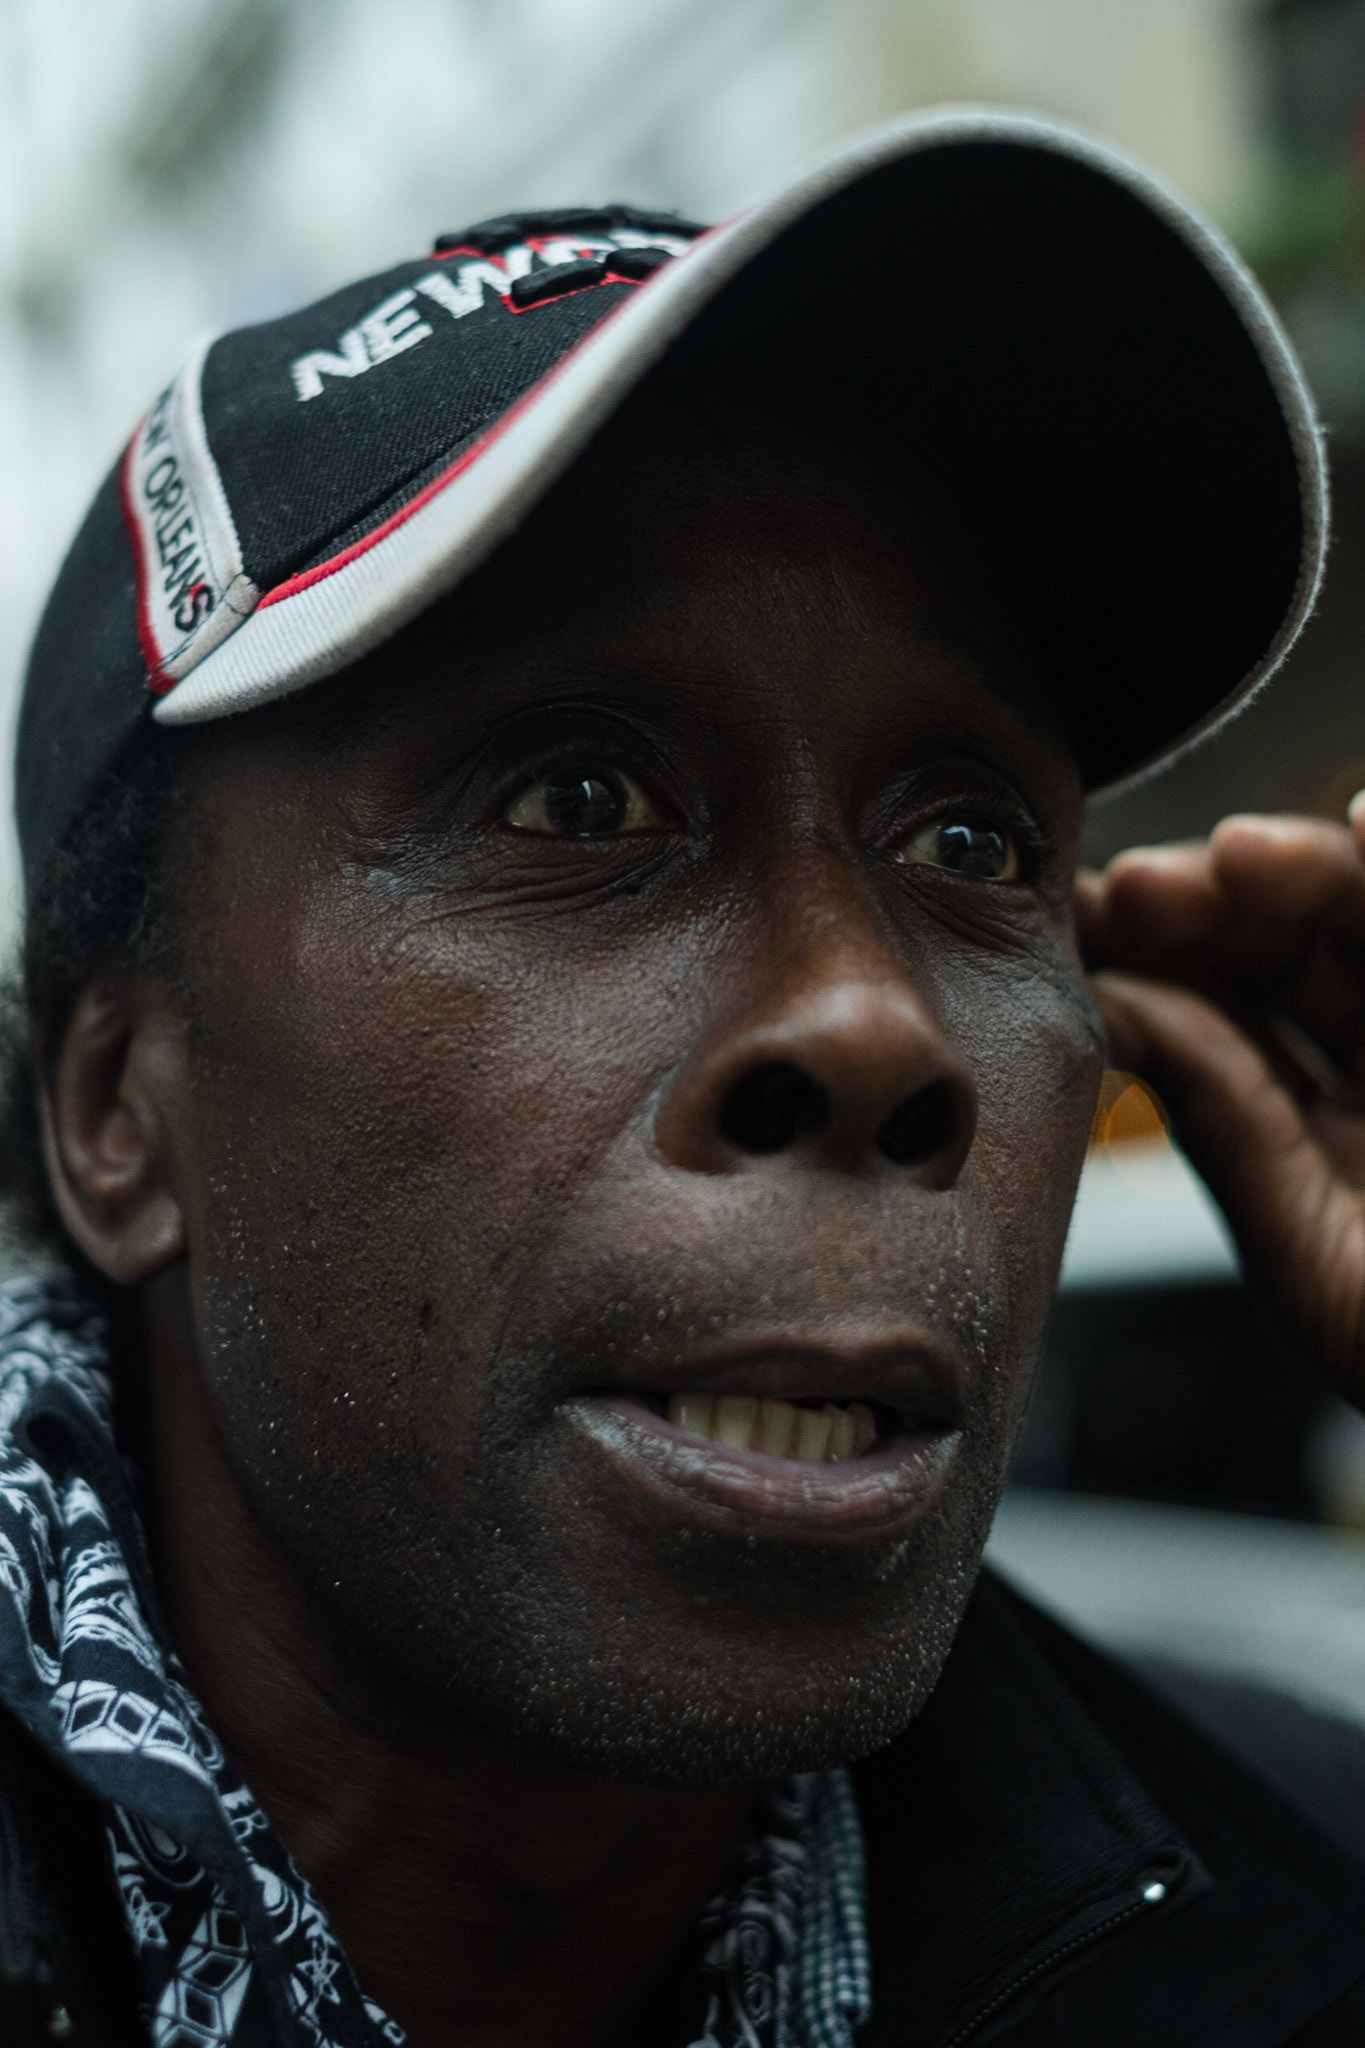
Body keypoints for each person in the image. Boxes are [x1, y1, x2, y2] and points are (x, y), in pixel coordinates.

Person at [2, 108, 1364, 2048]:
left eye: (968, 845)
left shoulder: (1308, 1896)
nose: (870, 1023)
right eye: (579, 801)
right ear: (117, 1102)